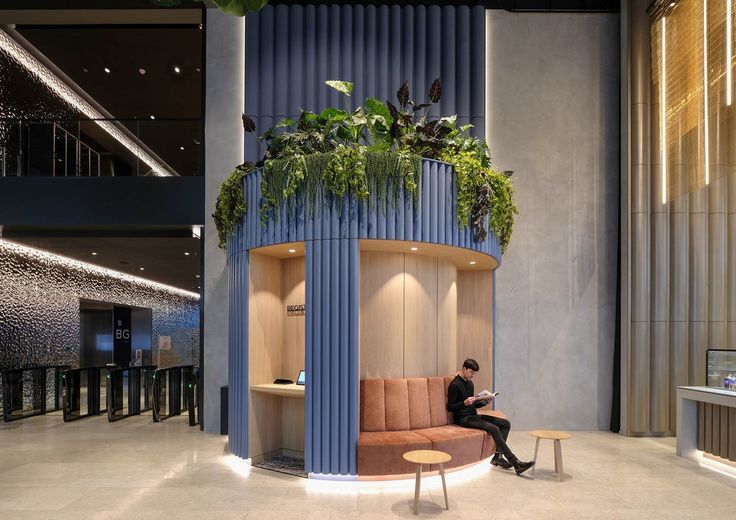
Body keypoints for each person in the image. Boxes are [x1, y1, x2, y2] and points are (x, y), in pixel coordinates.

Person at [446, 358, 535, 476]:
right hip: (463, 419)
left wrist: (483, 402)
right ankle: (515, 462)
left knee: (505, 424)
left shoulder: (470, 383)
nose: (473, 375)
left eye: (474, 373)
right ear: (464, 369)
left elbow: (473, 404)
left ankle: (497, 457)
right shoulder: (454, 384)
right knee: (494, 428)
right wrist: (464, 403)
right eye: (471, 372)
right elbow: (450, 407)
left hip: (473, 416)